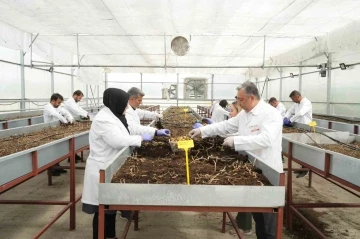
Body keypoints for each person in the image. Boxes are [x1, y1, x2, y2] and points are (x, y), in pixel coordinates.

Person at [189, 81, 283, 239]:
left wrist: (237, 141)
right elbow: (226, 126)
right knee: (257, 212)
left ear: (251, 98)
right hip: (252, 169)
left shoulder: (270, 114)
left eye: (241, 99)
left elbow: (266, 140)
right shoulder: (245, 114)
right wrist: (201, 130)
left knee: (268, 220)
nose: (238, 102)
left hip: (268, 171)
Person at [82, 88, 154, 239]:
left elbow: (127, 132)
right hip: (101, 167)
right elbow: (118, 141)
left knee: (110, 207)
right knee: (102, 209)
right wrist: (141, 139)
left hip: (110, 165)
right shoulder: (103, 119)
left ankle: (111, 236)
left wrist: (152, 133)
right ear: (117, 102)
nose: (127, 107)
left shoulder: (114, 115)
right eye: (124, 104)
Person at [43, 93, 74, 176]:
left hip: (56, 130)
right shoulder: (48, 107)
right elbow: (56, 115)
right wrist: (65, 121)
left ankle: (57, 166)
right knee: (52, 150)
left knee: (57, 149)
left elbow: (65, 112)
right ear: (53, 101)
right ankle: (52, 169)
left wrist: (70, 118)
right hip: (49, 131)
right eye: (58, 102)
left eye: (60, 103)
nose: (59, 104)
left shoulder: (57, 107)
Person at [284, 91, 312, 178]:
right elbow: (290, 110)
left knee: (305, 149)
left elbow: (300, 113)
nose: (293, 101)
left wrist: (290, 120)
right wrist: (285, 117)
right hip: (298, 128)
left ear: (297, 97)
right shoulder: (296, 103)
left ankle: (306, 169)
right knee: (299, 148)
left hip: (306, 128)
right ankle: (302, 167)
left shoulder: (307, 103)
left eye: (293, 99)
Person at [64, 90, 89, 163]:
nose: (80, 99)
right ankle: (70, 157)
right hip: (68, 122)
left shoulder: (74, 102)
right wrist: (86, 115)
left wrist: (87, 113)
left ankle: (74, 155)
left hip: (72, 122)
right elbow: (77, 111)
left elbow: (80, 109)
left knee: (74, 139)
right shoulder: (70, 102)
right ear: (75, 95)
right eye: (79, 98)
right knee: (71, 140)